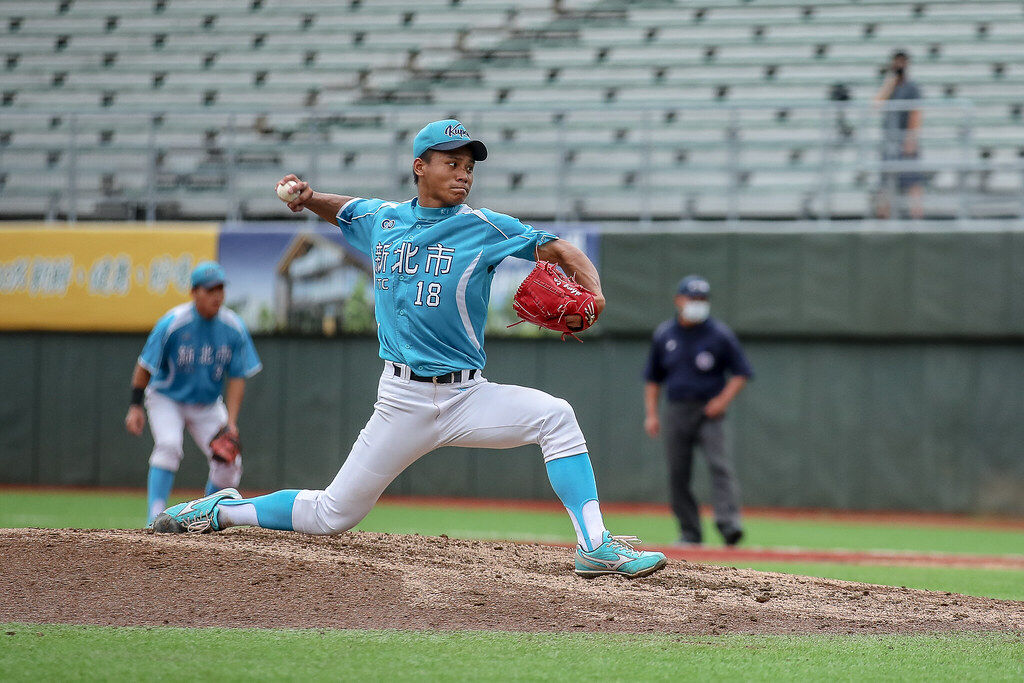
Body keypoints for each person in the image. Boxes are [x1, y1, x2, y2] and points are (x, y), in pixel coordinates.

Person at [152, 119, 666, 579]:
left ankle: (594, 546)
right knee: (332, 515)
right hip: (402, 400)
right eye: (451, 164)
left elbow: (559, 248)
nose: (463, 175)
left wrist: (595, 292)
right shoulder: (385, 220)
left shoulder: (484, 227)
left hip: (468, 397)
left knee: (557, 417)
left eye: (469, 167)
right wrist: (308, 198)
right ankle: (222, 510)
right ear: (420, 167)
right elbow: (345, 210)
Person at [125, 261, 262, 525]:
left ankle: (204, 518)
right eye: (210, 290)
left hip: (207, 405)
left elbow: (237, 377)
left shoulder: (233, 326)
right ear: (194, 292)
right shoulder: (173, 323)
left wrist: (231, 422)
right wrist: (135, 406)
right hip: (167, 398)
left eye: (220, 289)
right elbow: (144, 367)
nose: (217, 295)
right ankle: (154, 518)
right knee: (168, 446)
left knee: (229, 463)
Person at [643, 276, 753, 547]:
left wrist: (722, 401)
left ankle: (729, 525)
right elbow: (653, 379)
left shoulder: (719, 334)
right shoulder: (665, 335)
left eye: (702, 299)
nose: (698, 304)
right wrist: (652, 414)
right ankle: (690, 532)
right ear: (679, 300)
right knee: (678, 472)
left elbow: (741, 372)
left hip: (709, 412)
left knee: (720, 466)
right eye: (693, 298)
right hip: (677, 410)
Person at [874, 48, 924, 219]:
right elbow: (877, 104)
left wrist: (911, 138)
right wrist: (890, 83)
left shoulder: (912, 87)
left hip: (905, 138)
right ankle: (883, 214)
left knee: (912, 179)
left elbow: (916, 113)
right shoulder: (890, 86)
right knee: (886, 179)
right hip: (890, 139)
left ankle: (916, 215)